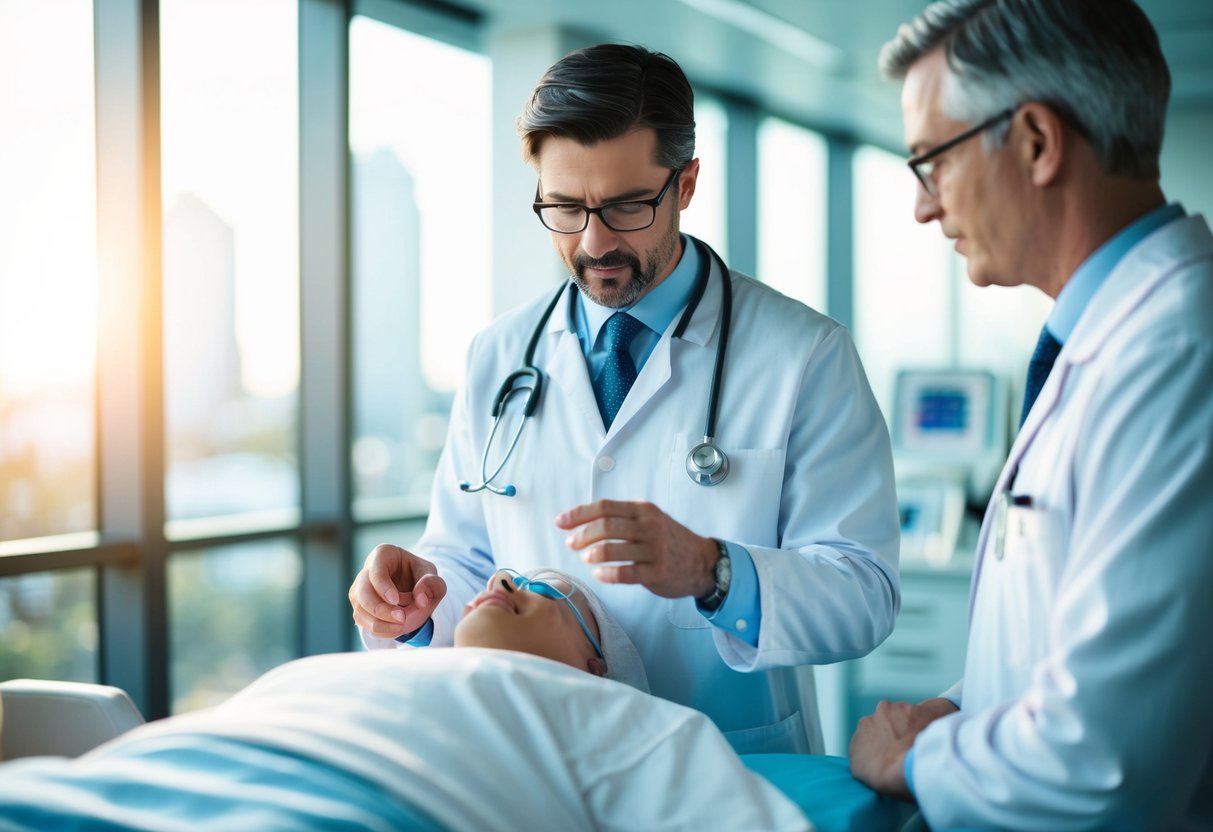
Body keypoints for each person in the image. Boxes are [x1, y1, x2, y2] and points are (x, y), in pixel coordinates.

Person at [348, 42, 901, 757]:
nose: (593, 242)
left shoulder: (803, 354)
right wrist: (415, 606)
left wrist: (713, 570)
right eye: (565, 208)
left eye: (626, 206)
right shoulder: (499, 354)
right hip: (542, 765)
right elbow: (464, 558)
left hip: (731, 763)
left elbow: (863, 593)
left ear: (686, 183)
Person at [849, 1, 1213, 828]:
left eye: (929, 162)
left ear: (1036, 143)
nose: (921, 207)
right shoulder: (1103, 340)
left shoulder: (1176, 357)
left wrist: (911, 757)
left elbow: (1107, 762)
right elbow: (1064, 649)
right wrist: (959, 712)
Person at [0, 569, 816, 830]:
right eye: (498, 579)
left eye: (540, 588)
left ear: (594, 662)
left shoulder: (621, 717)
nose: (498, 581)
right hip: (134, 777)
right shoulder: (331, 668)